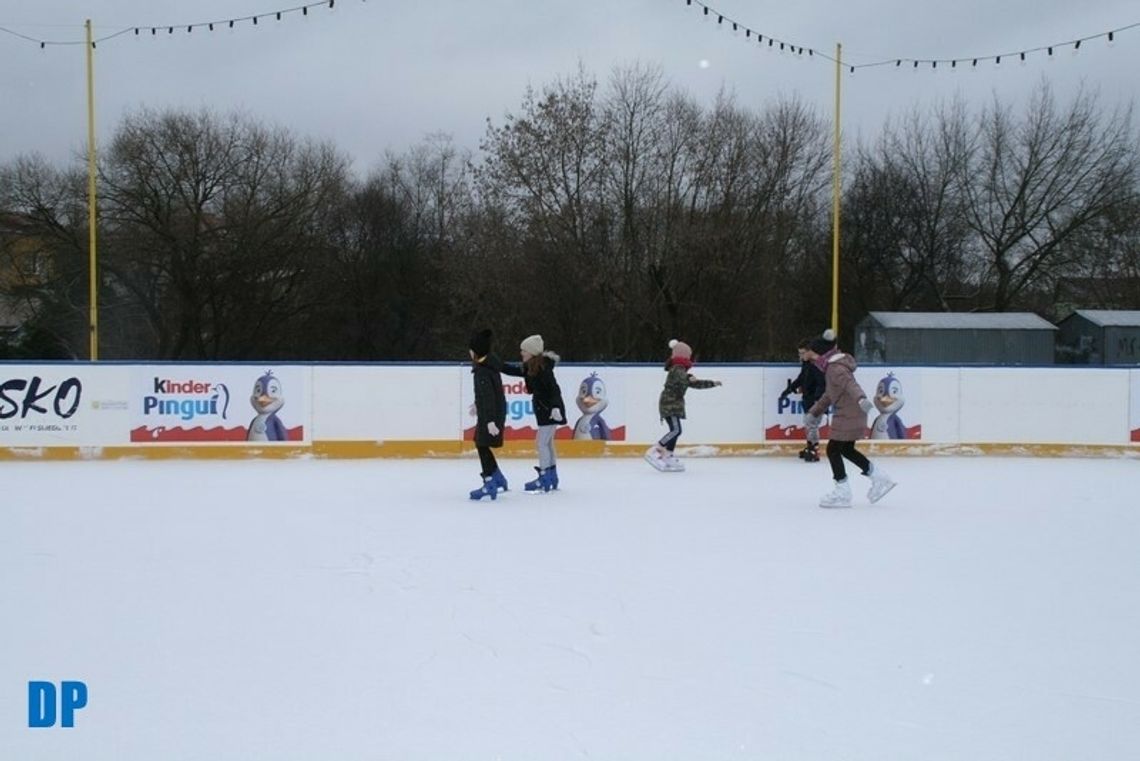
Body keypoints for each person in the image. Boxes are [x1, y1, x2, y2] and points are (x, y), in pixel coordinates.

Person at [804, 329, 896, 508]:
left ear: (822, 354)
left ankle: (843, 492)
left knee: (833, 450)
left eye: (815, 354)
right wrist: (814, 412)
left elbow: (850, 385)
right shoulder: (832, 368)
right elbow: (830, 395)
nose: (813, 358)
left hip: (850, 411)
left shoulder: (835, 369)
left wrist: (862, 399)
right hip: (851, 412)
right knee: (846, 449)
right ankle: (879, 477)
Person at [498, 334, 566, 492]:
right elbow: (512, 370)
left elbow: (554, 389)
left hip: (550, 411)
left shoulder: (543, 368)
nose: (521, 353)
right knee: (547, 443)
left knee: (541, 443)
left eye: (524, 351)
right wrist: (494, 363)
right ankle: (551, 475)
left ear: (532, 352)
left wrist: (555, 407)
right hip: (546, 409)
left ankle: (544, 477)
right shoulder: (532, 367)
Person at [645, 339, 722, 472]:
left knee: (676, 431)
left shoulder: (680, 370)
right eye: (688, 356)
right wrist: (689, 377)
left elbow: (694, 383)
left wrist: (712, 383)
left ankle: (668, 455)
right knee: (676, 430)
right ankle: (655, 449)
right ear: (683, 356)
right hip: (669, 403)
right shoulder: (676, 369)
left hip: (673, 403)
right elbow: (682, 378)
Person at [467, 328, 509, 501]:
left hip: (490, 415)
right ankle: (497, 476)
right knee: (480, 443)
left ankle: (490, 481)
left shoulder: (482, 371)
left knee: (481, 444)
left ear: (476, 351)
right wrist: (478, 404)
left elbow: (489, 396)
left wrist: (490, 420)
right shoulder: (489, 365)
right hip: (492, 412)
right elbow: (487, 394)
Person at [778, 338, 826, 461]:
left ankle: (815, 450)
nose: (800, 356)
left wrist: (817, 400)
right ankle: (810, 447)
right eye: (799, 353)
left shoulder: (817, 364)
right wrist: (788, 390)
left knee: (812, 424)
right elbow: (801, 378)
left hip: (816, 400)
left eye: (802, 353)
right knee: (808, 424)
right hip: (807, 399)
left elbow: (822, 383)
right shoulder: (806, 364)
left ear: (810, 351)